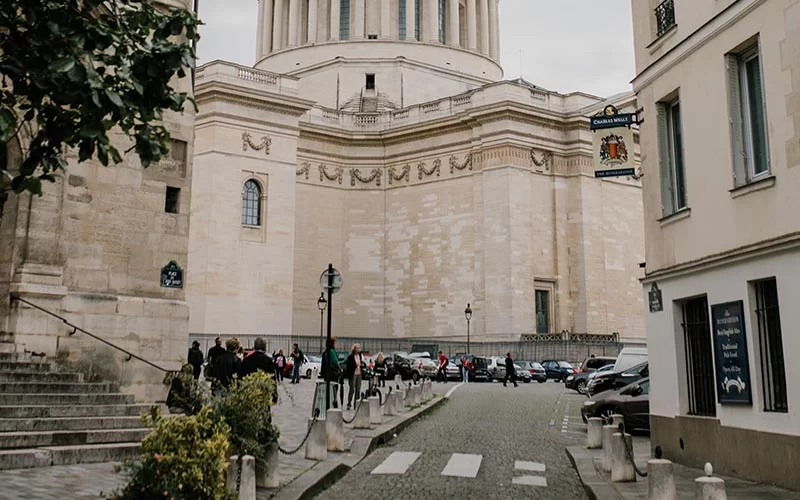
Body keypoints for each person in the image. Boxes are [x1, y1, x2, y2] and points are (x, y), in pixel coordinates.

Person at [238, 337, 279, 403]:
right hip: (264, 393)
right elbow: (272, 378)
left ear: (254, 347)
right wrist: (274, 394)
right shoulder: (268, 360)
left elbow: (241, 376)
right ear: (265, 348)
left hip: (250, 393)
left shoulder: (247, 360)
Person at [321, 337, 341, 408]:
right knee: (334, 390)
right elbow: (335, 362)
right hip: (333, 375)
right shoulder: (332, 351)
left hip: (327, 375)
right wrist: (340, 369)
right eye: (335, 343)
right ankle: (334, 404)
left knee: (329, 391)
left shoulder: (325, 352)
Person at [345, 343, 364, 410]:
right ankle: (349, 403)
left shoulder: (360, 356)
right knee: (352, 390)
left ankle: (356, 403)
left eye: (359, 348)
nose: (358, 349)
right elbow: (348, 367)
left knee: (358, 389)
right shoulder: (350, 357)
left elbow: (361, 363)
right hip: (353, 375)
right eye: (357, 348)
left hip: (359, 374)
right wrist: (355, 366)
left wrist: (361, 366)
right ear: (354, 349)